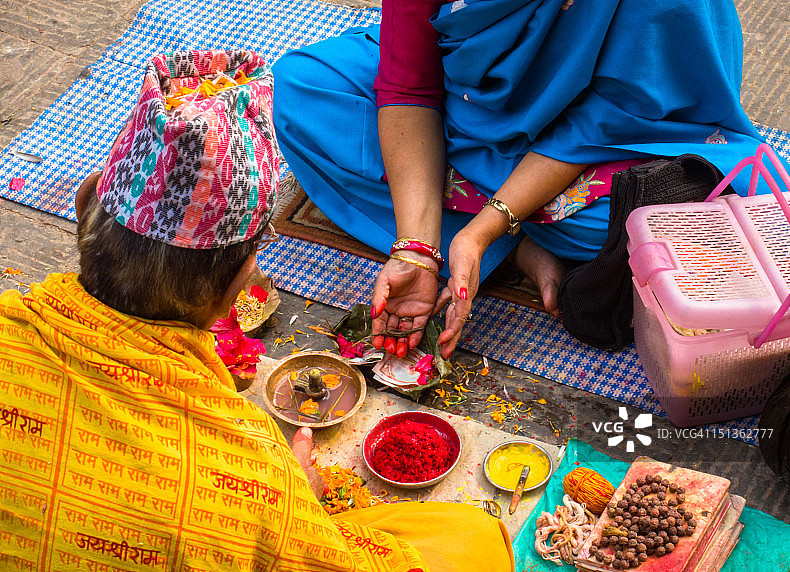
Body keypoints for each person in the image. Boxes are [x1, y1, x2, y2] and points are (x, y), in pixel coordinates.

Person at [0, 50, 512, 572]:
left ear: (86, 203)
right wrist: (297, 501)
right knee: (472, 541)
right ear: (239, 287)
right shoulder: (252, 479)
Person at [272, 0, 786, 358]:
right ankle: (517, 248)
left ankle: (491, 234)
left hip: (600, 142)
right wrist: (415, 248)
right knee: (306, 91)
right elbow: (409, 86)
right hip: (473, 112)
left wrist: (486, 226)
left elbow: (610, 118)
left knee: (681, 219)